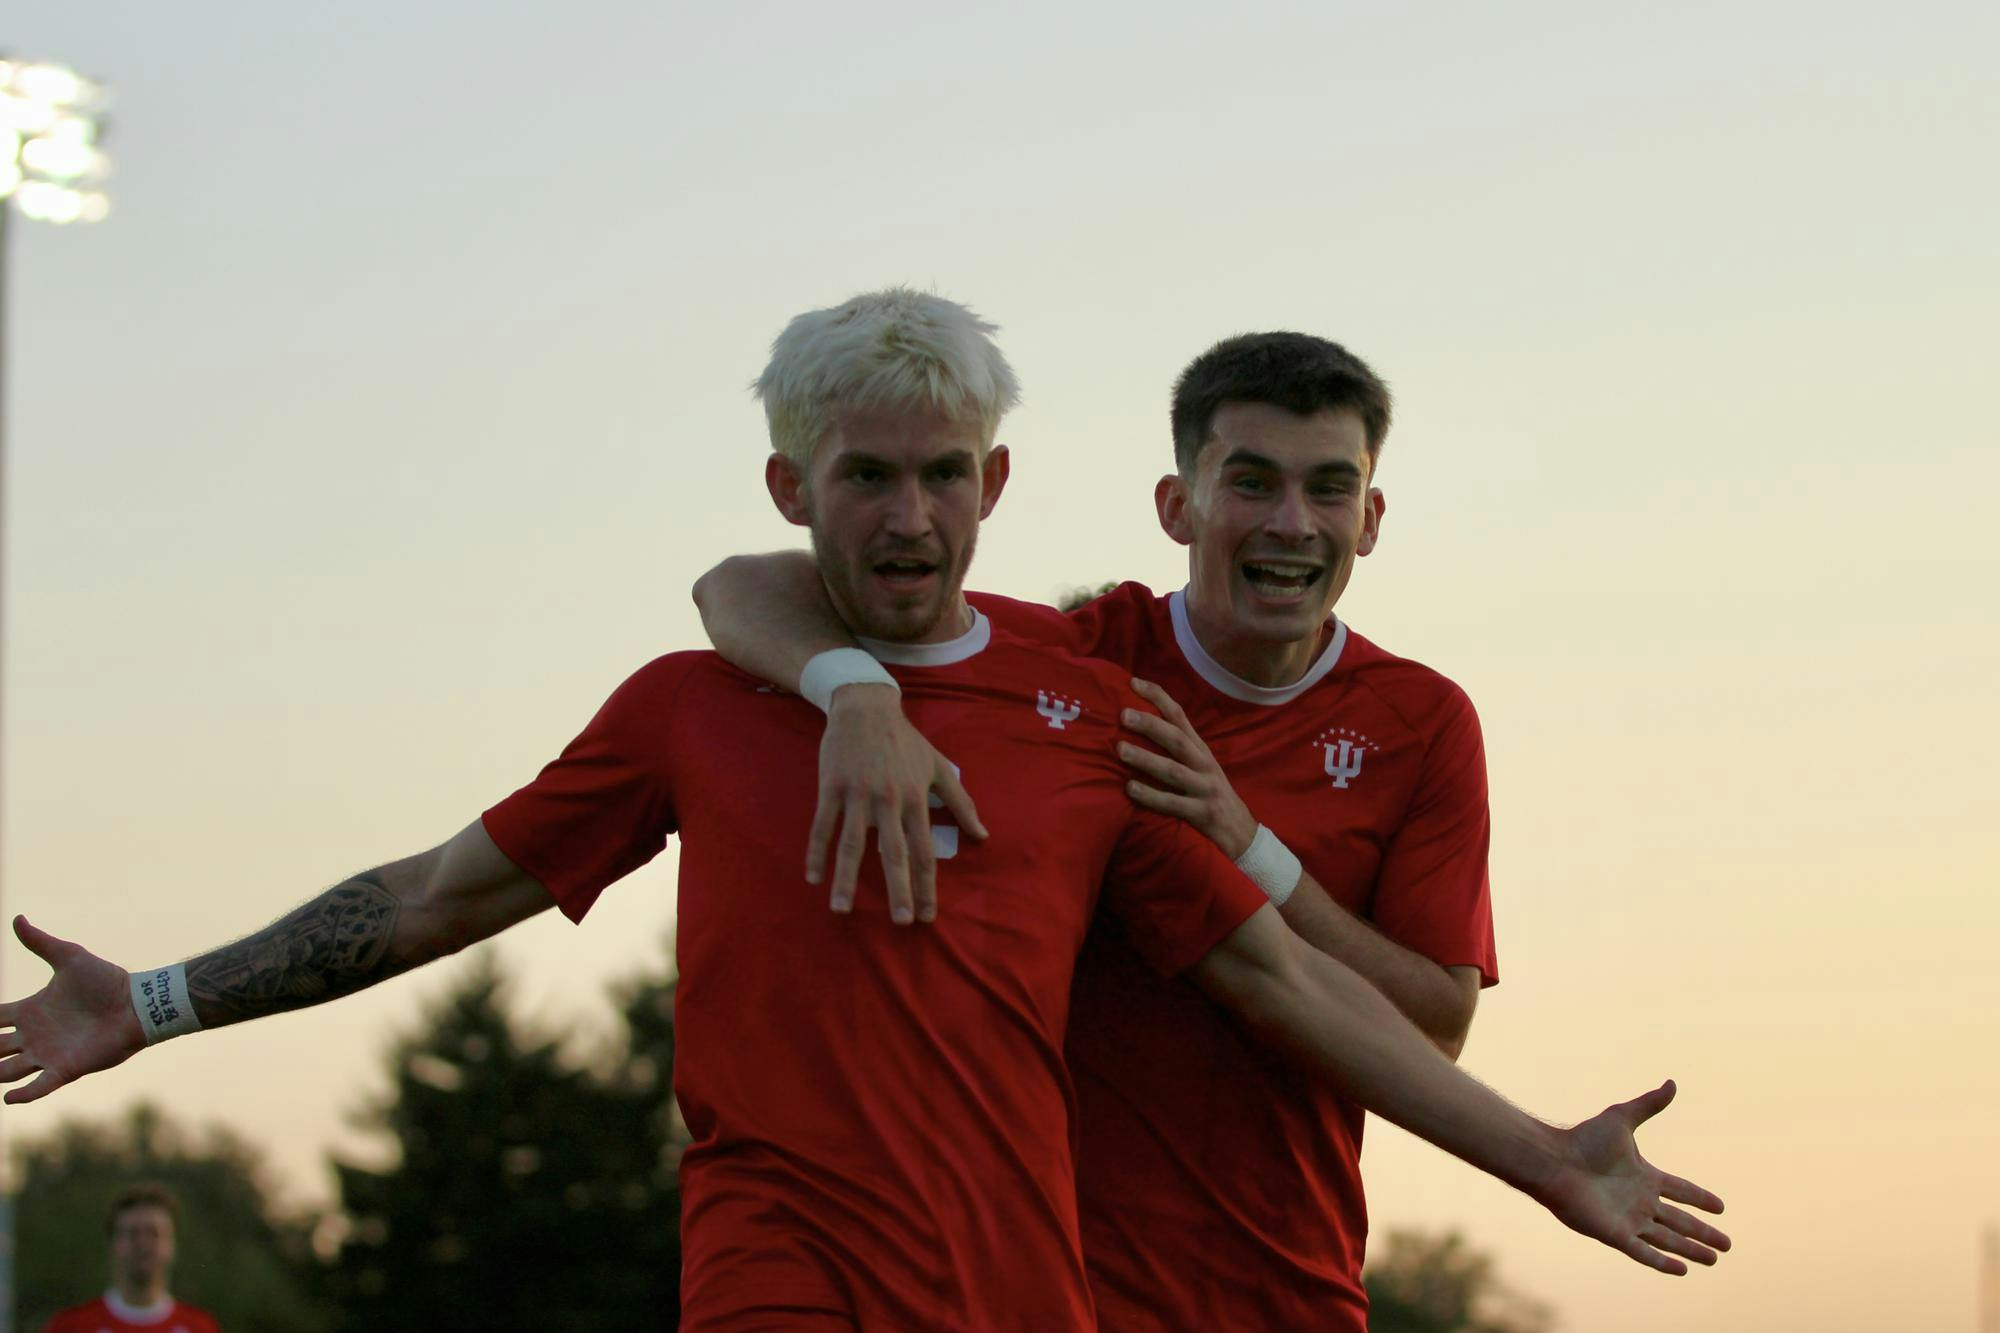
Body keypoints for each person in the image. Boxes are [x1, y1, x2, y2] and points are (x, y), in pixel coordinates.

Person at [2, 289, 1726, 1331]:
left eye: (940, 474)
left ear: (996, 484)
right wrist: (156, 998)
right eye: (865, 476)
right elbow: (436, 892)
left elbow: (1280, 983)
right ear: (791, 486)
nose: (907, 516)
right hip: (781, 1270)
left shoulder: (1090, 715)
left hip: (1028, 1288)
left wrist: (1538, 1156)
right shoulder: (692, 702)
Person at [690, 330, 1662, 1328]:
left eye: (1328, 488)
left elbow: (1431, 1029)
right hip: (1044, 1286)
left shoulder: (1421, 723)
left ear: (1369, 518)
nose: (1291, 523)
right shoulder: (1079, 666)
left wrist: (1246, 843)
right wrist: (854, 690)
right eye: (1251, 483)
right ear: (1176, 506)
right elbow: (740, 585)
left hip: (1290, 1286)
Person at [42, 1184, 221, 1333]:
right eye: (132, 1233)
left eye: (154, 1233)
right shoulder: (70, 1326)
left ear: (172, 1244)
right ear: (113, 1243)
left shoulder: (201, 1327)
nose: (143, 1244)